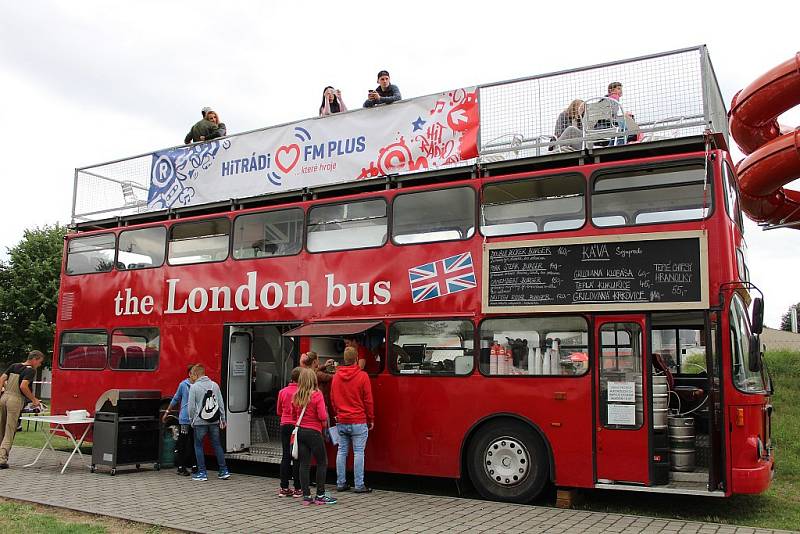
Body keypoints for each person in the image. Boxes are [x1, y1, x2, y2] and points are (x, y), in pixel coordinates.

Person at [331, 346, 374, 493]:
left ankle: (341, 483)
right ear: (356, 359)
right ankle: (359, 484)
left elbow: (332, 398)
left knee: (342, 451)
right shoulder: (363, 376)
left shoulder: (336, 376)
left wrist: (337, 413)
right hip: (358, 420)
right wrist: (371, 418)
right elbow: (368, 400)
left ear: (344, 359)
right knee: (358, 452)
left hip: (342, 420)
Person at [291, 367, 336, 505]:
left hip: (301, 432)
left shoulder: (297, 395)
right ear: (313, 380)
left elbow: (294, 416)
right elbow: (322, 416)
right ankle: (320, 495)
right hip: (314, 433)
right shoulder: (317, 395)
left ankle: (306, 496)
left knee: (304, 464)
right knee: (322, 462)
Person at [0, 350, 44, 469]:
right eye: (39, 362)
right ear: (34, 359)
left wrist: (1, 391)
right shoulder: (30, 370)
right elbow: (23, 386)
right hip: (15, 400)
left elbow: (2, 379)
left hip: (4, 398)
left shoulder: (14, 366)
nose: (39, 365)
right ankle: (2, 459)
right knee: (10, 430)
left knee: (2, 428)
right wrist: (34, 399)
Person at [187, 364, 230, 481]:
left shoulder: (194, 387)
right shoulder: (214, 385)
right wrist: (223, 418)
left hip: (200, 422)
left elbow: (190, 407)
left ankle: (202, 473)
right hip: (214, 421)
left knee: (198, 445)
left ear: (196, 374)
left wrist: (191, 419)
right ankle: (223, 470)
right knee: (217, 445)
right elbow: (221, 403)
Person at [162, 364, 197, 475]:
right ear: (189, 374)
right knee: (183, 442)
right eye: (193, 372)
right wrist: (167, 412)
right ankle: (181, 467)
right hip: (185, 419)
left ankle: (194, 465)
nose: (195, 375)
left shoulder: (199, 385)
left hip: (195, 419)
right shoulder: (183, 385)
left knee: (194, 442)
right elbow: (176, 398)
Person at [276, 367, 302, 497]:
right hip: (296, 426)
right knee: (297, 456)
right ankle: (298, 488)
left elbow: (278, 411)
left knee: (285, 456)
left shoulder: (282, 392)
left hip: (284, 424)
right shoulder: (301, 392)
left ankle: (284, 487)